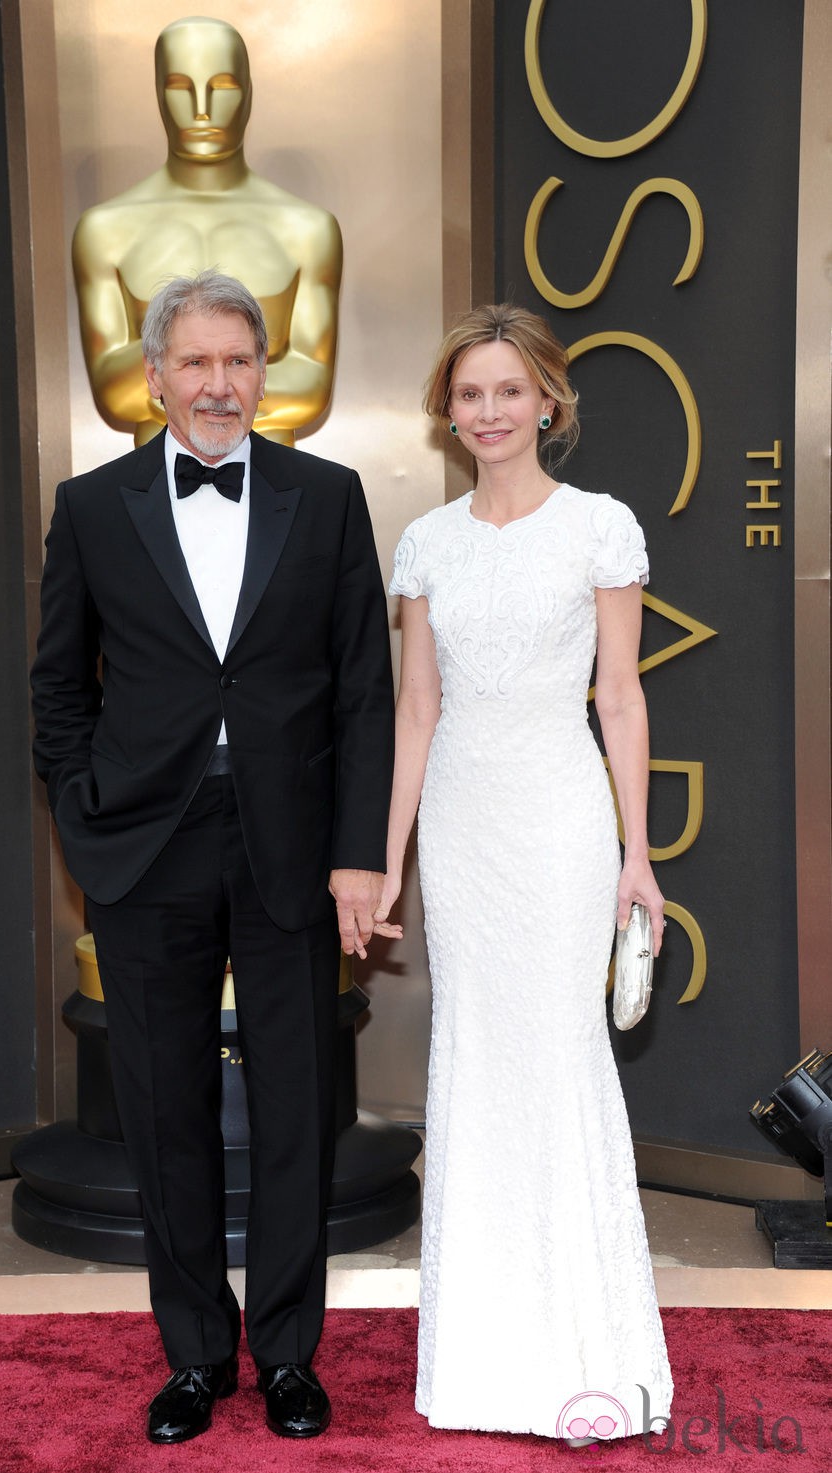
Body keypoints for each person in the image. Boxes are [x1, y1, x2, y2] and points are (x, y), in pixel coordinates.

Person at [30, 270, 393, 1444]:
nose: (220, 383)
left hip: (291, 841)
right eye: (196, 361)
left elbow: (362, 694)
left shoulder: (327, 498)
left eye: (239, 360)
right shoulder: (90, 507)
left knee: (295, 1106)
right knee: (161, 1108)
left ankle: (286, 1353)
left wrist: (356, 855)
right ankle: (195, 1355)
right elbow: (56, 687)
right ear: (156, 376)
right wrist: (85, 816)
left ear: (263, 372)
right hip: (145, 845)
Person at [372, 304, 674, 1438]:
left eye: (507, 391)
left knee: (556, 1052)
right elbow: (414, 708)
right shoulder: (425, 543)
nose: (487, 411)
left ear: (546, 401)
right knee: (475, 1058)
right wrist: (390, 855)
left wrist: (635, 854)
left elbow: (619, 698)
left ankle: (584, 1350)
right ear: (444, 413)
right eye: (467, 394)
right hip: (458, 822)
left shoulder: (598, 528)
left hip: (554, 816)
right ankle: (482, 1360)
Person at [72, 15, 342, 447]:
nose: (201, 108)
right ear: (158, 94)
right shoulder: (105, 230)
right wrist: (241, 376)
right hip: (154, 487)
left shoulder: (308, 229)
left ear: (249, 94)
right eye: (181, 87)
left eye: (223, 87)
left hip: (277, 483)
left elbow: (312, 382)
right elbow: (111, 389)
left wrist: (181, 379)